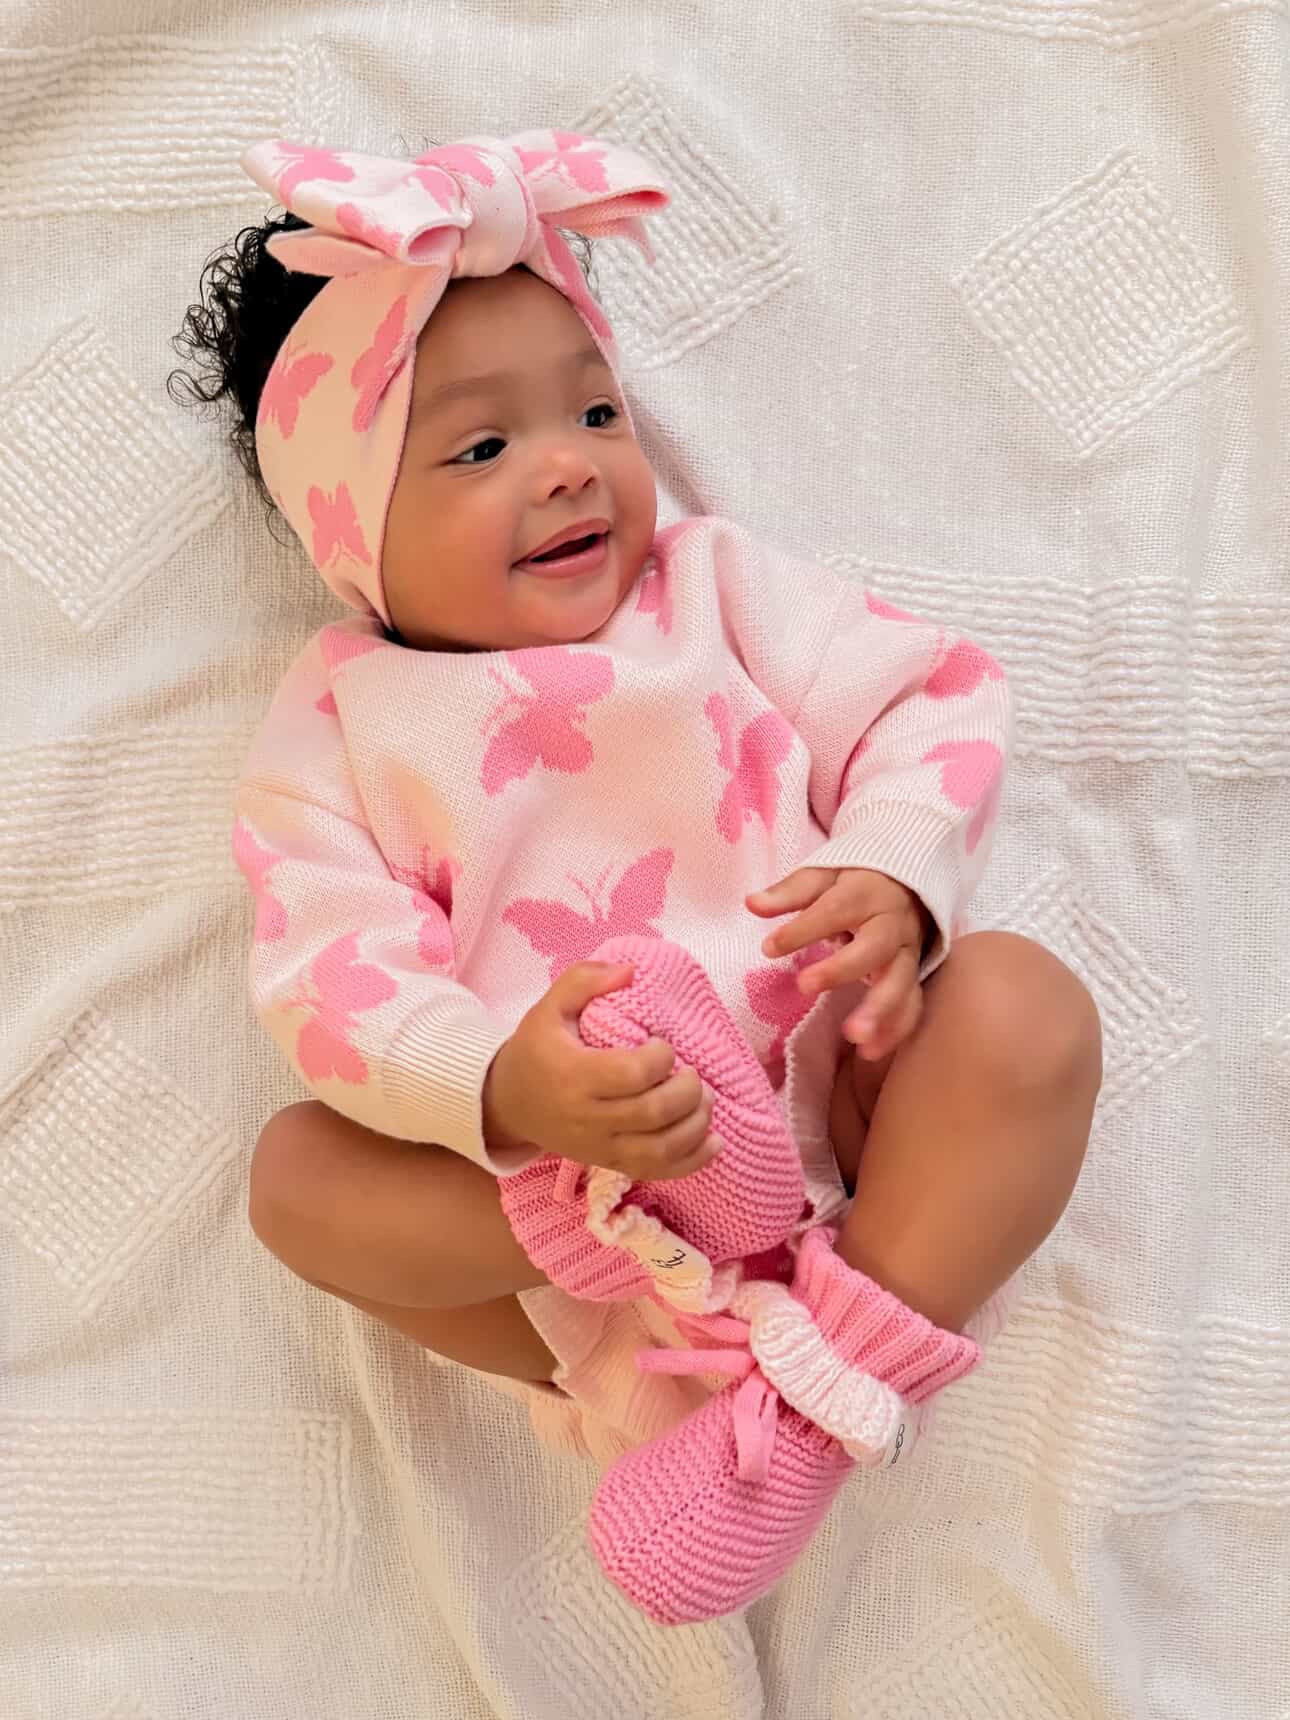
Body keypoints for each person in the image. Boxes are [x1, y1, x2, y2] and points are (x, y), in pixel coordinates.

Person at [170, 129, 1102, 1625]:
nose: (564, 463)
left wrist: (889, 872)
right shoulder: (341, 724)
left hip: (831, 1095)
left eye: (594, 410)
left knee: (1024, 1007)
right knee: (296, 1181)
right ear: (353, 534)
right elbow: (323, 978)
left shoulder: (711, 591)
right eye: (477, 447)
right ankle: (686, 1303)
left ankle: (798, 1409)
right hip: (579, 1199)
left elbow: (930, 693)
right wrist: (498, 1090)